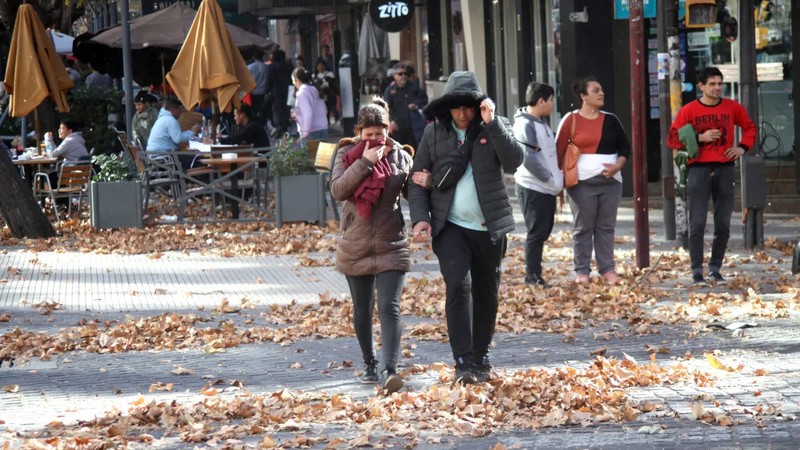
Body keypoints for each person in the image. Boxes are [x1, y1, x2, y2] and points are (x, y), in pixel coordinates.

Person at [408, 71, 523, 384]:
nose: (462, 113)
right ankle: (463, 363)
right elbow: (417, 179)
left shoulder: (493, 127)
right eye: (455, 107)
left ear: (478, 105)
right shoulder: (434, 134)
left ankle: (480, 355)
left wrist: (493, 122)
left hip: (489, 228)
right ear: (447, 107)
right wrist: (421, 218)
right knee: (459, 286)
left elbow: (514, 161)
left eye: (468, 106)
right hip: (450, 227)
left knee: (487, 293)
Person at [329, 98, 414, 394]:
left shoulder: (400, 156)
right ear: (358, 132)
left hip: (392, 242)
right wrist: (366, 162)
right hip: (356, 242)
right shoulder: (345, 154)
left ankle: (389, 369)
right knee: (362, 309)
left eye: (380, 133)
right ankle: (369, 362)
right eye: (369, 135)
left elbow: (412, 194)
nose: (376, 139)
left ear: (388, 129)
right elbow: (339, 190)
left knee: (389, 307)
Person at [667, 66, 757, 286]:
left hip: (726, 168)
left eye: (720, 83)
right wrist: (700, 137)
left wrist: (742, 148)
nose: (717, 88)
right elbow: (672, 139)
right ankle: (696, 270)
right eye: (712, 84)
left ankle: (715, 268)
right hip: (699, 168)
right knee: (697, 222)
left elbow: (750, 127)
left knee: (723, 222)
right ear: (701, 86)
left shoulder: (732, 107)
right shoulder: (689, 110)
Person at [556, 77, 630, 285]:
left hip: (611, 182)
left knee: (606, 227)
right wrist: (558, 182)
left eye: (602, 90)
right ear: (583, 96)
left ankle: (607, 269)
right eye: (596, 90)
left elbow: (625, 149)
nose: (601, 93)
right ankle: (582, 270)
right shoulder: (570, 120)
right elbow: (558, 150)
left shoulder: (611, 120)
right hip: (581, 184)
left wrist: (617, 166)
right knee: (583, 227)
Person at [513, 81, 563, 287]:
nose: (553, 104)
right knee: (536, 232)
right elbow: (529, 158)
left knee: (542, 231)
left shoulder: (539, 122)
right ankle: (532, 275)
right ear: (541, 101)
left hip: (545, 187)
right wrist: (549, 179)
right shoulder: (526, 124)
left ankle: (535, 273)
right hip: (533, 187)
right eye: (551, 100)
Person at [383, 62, 428, 149]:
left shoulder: (414, 88)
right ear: (394, 76)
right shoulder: (390, 90)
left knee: (413, 151)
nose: (403, 76)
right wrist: (390, 121)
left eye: (406, 74)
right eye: (400, 74)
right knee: (398, 151)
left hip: (413, 128)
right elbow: (385, 109)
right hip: (397, 128)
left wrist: (416, 105)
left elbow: (424, 100)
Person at [290, 67, 329, 145]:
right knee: (324, 157)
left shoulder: (301, 93)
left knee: (309, 157)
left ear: (297, 80)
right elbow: (324, 110)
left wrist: (305, 131)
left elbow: (307, 112)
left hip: (310, 132)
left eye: (293, 81)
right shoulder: (315, 90)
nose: (293, 83)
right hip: (323, 128)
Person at [267, 50, 293, 139]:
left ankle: (278, 127)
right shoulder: (288, 66)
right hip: (287, 90)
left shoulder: (272, 66)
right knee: (286, 109)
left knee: (276, 109)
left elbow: (269, 80)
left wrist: (268, 90)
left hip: (276, 91)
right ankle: (285, 128)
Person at [247, 52, 268, 120]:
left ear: (254, 57)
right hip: (264, 93)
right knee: (264, 111)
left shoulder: (249, 67)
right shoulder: (267, 67)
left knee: (254, 112)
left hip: (253, 93)